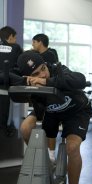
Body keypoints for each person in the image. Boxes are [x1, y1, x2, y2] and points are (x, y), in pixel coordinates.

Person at [17, 51, 92, 184]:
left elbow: (80, 79)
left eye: (43, 69)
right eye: (36, 74)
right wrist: (27, 84)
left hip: (75, 110)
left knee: (72, 147)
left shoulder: (59, 70)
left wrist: (46, 82)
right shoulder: (28, 81)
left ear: (45, 64)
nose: (42, 74)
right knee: (25, 128)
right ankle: (45, 162)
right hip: (50, 110)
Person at [31, 33, 59, 161]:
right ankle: (39, 155)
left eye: (34, 42)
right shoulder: (35, 56)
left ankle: (51, 156)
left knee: (50, 124)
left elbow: (50, 76)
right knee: (26, 128)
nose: (33, 45)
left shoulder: (50, 55)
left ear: (40, 42)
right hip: (39, 98)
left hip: (51, 99)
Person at [0, 26, 23, 135]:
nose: (15, 40)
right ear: (10, 37)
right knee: (5, 108)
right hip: (6, 82)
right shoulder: (15, 48)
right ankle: (5, 129)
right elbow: (21, 63)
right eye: (15, 38)